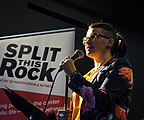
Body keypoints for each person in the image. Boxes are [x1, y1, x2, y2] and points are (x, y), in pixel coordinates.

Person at [59, 22, 133, 120]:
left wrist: (73, 74)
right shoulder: (86, 77)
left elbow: (103, 102)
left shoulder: (121, 67)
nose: (87, 42)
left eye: (93, 36)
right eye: (85, 39)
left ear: (109, 42)